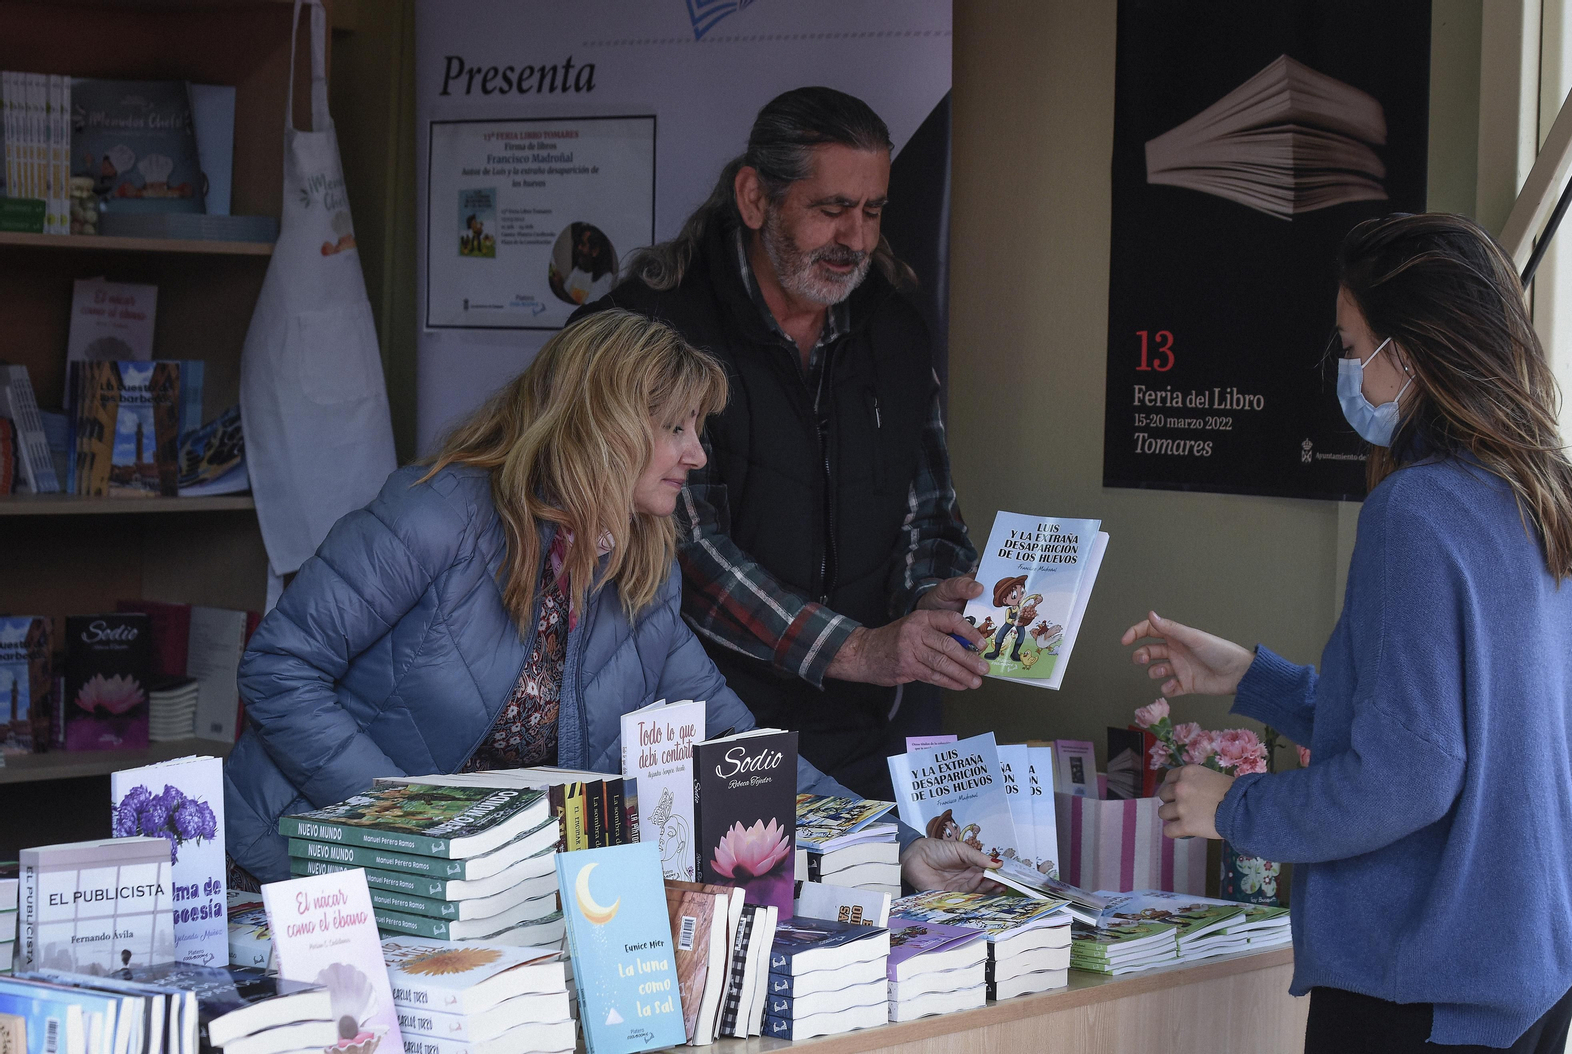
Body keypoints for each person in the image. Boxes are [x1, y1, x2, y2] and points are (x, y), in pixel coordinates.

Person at [222, 309, 996, 894]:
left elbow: (732, 746)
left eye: (699, 429)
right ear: (603, 428)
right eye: (675, 429)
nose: (697, 454)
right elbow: (277, 667)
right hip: (297, 869)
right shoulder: (436, 515)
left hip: (466, 895)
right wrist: (409, 825)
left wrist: (895, 844)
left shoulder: (639, 567)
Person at [1122, 213, 1572, 1053]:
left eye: (1351, 347)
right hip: (1530, 972)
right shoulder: (1550, 497)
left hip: (1421, 988)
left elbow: (1409, 773)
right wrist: (1250, 676)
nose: (1346, 371)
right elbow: (1454, 728)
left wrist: (1238, 807)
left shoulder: (1416, 512)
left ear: (1406, 356)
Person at [573, 87, 986, 798]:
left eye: (873, 211)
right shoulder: (657, 328)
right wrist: (856, 648)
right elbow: (683, 551)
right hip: (693, 731)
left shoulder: (892, 328)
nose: (856, 238)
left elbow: (929, 509)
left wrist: (928, 608)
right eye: (830, 209)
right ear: (755, 197)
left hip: (859, 731)